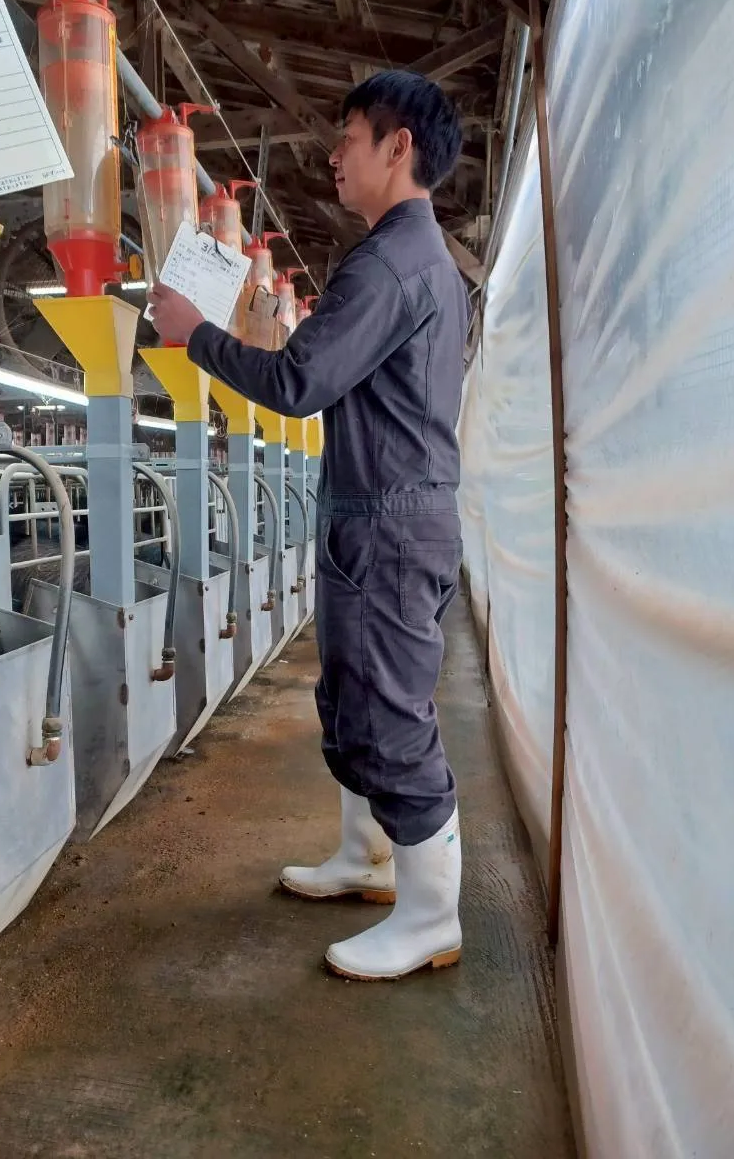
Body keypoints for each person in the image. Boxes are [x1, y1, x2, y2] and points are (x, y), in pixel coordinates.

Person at [148, 71, 469, 982]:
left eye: (350, 136)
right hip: (381, 511)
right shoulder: (418, 262)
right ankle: (366, 858)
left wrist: (195, 334)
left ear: (398, 147)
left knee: (393, 717)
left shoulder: (391, 263)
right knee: (356, 698)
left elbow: (296, 384)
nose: (333, 155)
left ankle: (432, 914)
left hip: (388, 522)